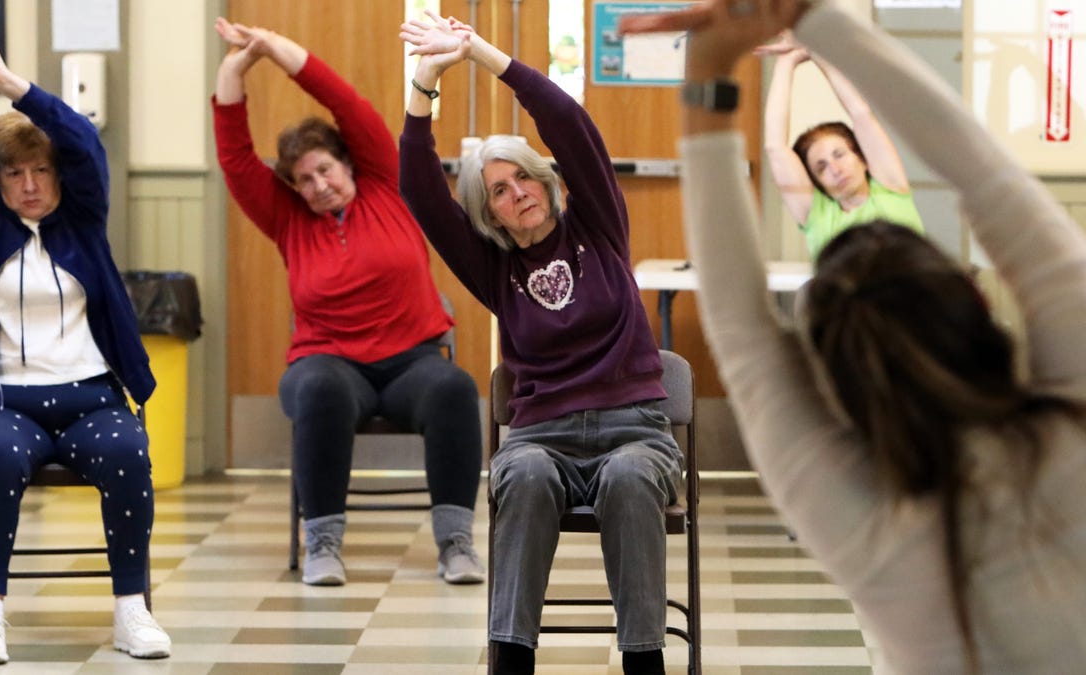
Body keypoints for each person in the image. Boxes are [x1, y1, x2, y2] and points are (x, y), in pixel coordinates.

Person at [623, 0, 1086, 672]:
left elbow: (740, 329)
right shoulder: (1072, 420)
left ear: (830, 380)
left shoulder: (864, 525)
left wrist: (709, 65)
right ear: (979, 298)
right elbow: (986, 172)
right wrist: (810, 14)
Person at [398, 12, 684, 675]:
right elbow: (416, 184)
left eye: (524, 175)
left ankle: (645, 660)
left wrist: (481, 54)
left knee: (632, 476)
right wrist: (426, 79)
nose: (517, 191)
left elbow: (568, 121)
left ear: (548, 181)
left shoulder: (600, 226)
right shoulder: (495, 269)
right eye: (499, 189)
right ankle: (512, 660)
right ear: (488, 211)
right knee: (520, 475)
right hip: (540, 435)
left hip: (635, 428)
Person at [0, 0, 170, 665]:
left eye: (40, 171)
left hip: (92, 395)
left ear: (58, 176)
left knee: (127, 450)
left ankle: (132, 609)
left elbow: (83, 139)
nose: (30, 185)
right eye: (14, 173)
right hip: (3, 402)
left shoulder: (83, 215)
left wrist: (11, 84)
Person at [211, 17, 484, 587]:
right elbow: (237, 159)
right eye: (303, 180)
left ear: (348, 163)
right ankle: (323, 545)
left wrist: (278, 49)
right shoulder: (287, 217)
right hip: (326, 360)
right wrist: (236, 67)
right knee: (321, 390)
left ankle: (456, 543)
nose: (317, 186)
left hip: (411, 359)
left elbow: (346, 102)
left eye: (324, 171)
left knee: (455, 388)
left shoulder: (387, 180)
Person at [759, 29, 923, 258]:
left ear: (863, 159)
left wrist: (817, 51)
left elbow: (861, 114)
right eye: (821, 167)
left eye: (839, 154)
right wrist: (786, 62)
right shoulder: (816, 215)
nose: (835, 169)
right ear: (816, 182)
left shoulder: (890, 189)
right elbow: (775, 148)